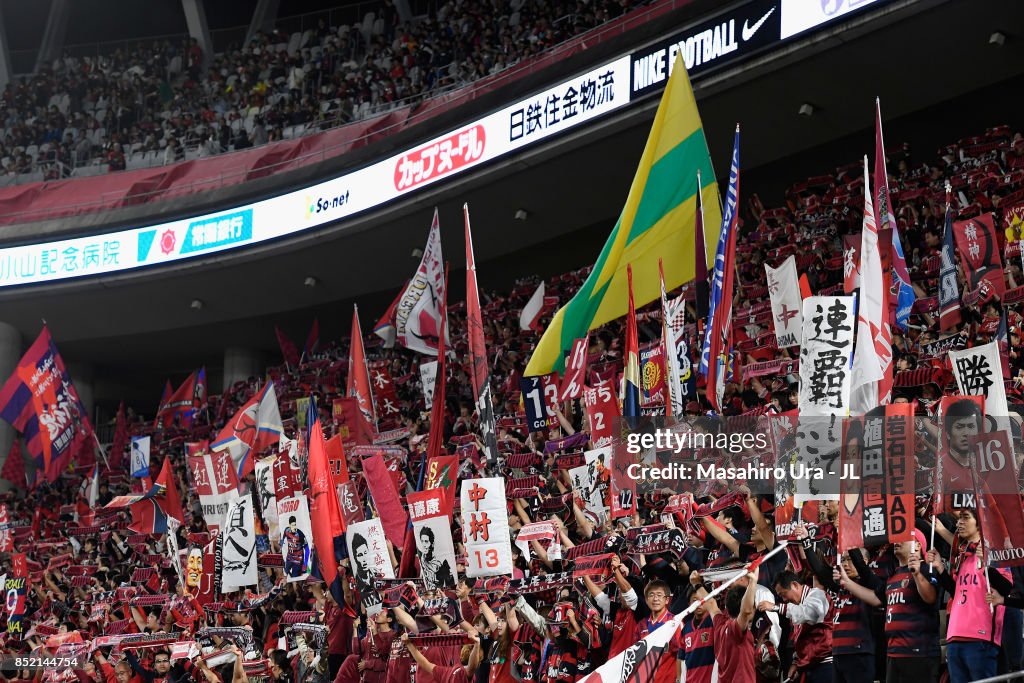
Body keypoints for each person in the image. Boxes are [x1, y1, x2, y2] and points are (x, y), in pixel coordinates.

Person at [928, 506, 1010, 683]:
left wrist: (988, 566)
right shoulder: (962, 555)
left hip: (980, 636)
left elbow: (1007, 589)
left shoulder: (996, 551)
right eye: (959, 519)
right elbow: (956, 590)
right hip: (955, 634)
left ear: (980, 524)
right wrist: (940, 568)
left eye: (965, 518)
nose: (959, 523)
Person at [762, 570, 833, 683]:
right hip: (811, 667)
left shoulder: (817, 594)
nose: (784, 600)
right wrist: (796, 662)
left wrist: (777, 607)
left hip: (826, 664)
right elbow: (801, 639)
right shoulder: (797, 607)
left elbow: (810, 614)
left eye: (783, 594)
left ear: (794, 585)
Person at [691, 567, 759, 683]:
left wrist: (696, 584)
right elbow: (745, 611)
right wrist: (753, 581)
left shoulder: (720, 623)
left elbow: (711, 603)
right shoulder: (735, 629)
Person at [417, 525, 455, 590]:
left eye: (426, 541)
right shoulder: (421, 560)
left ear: (432, 543)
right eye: (422, 541)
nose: (424, 545)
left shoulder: (441, 563)